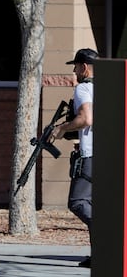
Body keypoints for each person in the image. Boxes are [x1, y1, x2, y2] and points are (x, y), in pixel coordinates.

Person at [50, 48, 98, 268]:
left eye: (76, 66)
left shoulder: (84, 88)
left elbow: (86, 118)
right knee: (94, 203)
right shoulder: (108, 87)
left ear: (85, 67)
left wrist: (62, 128)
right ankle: (100, 254)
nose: (74, 70)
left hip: (91, 155)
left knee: (78, 202)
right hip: (109, 154)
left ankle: (108, 235)